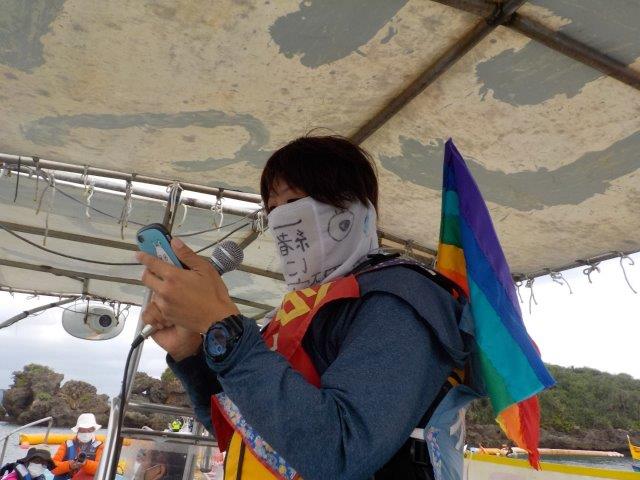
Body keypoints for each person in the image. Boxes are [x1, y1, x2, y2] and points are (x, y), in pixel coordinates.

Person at [137, 135, 473, 479]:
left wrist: (225, 328)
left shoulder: (398, 301)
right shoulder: (297, 312)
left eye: (294, 201)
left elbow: (341, 451)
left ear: (351, 209)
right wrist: (189, 352)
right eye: (273, 208)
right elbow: (251, 431)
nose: (281, 219)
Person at [52, 413, 104, 480]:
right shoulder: (67, 444)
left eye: (89, 430)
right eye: (82, 430)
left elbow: (101, 469)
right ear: (77, 430)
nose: (86, 433)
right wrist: (69, 465)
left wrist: (85, 464)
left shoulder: (100, 446)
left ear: (93, 430)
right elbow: (53, 467)